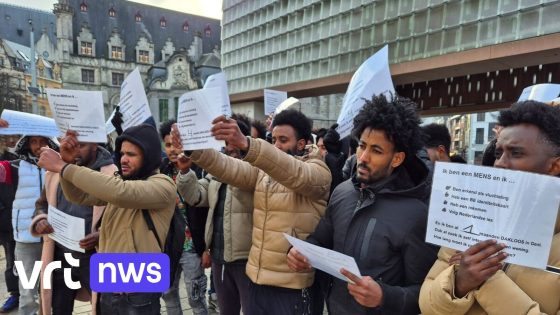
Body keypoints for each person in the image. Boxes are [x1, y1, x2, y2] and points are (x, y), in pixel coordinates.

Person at [287, 94, 439, 314]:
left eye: (376, 151)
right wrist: (300, 253)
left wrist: (384, 296)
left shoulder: (417, 214)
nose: (363, 157)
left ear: (397, 159)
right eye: (362, 146)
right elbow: (320, 238)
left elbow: (427, 294)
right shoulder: (342, 192)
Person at [171, 109, 331, 314]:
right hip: (257, 281)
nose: (277, 146)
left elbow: (295, 173)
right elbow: (229, 167)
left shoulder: (318, 172)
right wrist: (195, 148)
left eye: (283, 140)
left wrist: (248, 144)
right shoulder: (263, 172)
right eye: (274, 140)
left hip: (293, 285)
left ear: (302, 143)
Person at [419, 100, 560, 315]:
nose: (500, 163)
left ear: (553, 166)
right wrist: (458, 282)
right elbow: (427, 304)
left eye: (516, 153)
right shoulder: (471, 217)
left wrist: (487, 280)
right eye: (498, 153)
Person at [37, 124, 176, 315]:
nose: (124, 159)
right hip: (110, 281)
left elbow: (119, 193)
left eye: (132, 154)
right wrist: (70, 163)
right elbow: (79, 196)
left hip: (139, 286)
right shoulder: (124, 180)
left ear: (149, 155)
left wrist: (63, 167)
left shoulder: (163, 185)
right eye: (122, 153)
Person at [176, 115, 254, 315]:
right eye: (226, 143)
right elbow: (196, 196)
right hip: (220, 258)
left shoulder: (256, 173)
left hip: (248, 259)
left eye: (233, 141)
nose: (230, 147)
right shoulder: (215, 174)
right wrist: (185, 173)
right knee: (226, 310)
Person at [30, 139, 117, 314]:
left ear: (95, 145)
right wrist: (41, 220)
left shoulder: (112, 175)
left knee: (103, 306)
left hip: (94, 257)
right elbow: (42, 203)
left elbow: (122, 218)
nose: (74, 151)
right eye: (69, 146)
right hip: (60, 255)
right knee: (58, 306)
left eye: (81, 146)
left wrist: (101, 235)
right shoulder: (54, 172)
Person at [0, 118, 59, 315]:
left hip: (55, 238)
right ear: (26, 143)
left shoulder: (59, 167)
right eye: (33, 141)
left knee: (53, 288)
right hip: (26, 238)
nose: (38, 146)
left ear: (50, 143)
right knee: (27, 291)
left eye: (43, 141)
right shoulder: (13, 168)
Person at [159, 119, 210, 315]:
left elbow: (208, 214)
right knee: (168, 294)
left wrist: (207, 248)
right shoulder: (160, 170)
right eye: (168, 144)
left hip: (192, 247)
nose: (172, 149)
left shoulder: (200, 170)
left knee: (195, 298)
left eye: (176, 144)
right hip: (166, 246)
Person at [0, 132, 20, 313]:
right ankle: (15, 293)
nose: (12, 140)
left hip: (30, 219)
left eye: (16, 136)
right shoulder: (2, 160)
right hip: (7, 221)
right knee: (11, 260)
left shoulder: (30, 157)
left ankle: (38, 293)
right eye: (7, 137)